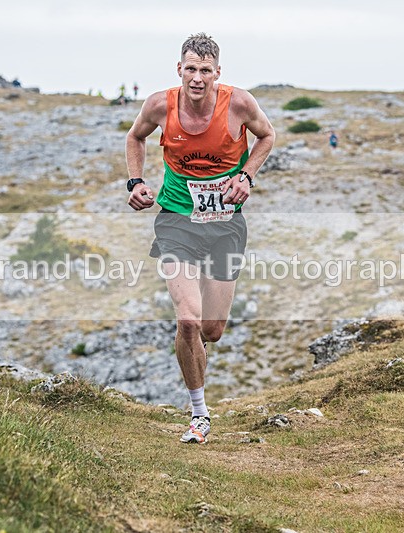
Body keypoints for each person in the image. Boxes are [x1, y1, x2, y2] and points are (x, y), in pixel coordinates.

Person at [125, 33, 275, 444]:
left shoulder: (239, 104)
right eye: (190, 68)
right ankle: (199, 413)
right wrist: (135, 182)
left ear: (217, 73)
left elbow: (267, 136)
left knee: (212, 329)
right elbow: (134, 137)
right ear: (179, 69)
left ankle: (198, 362)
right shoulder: (159, 105)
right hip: (176, 221)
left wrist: (246, 176)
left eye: (205, 70)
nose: (196, 78)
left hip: (226, 223)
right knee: (188, 319)